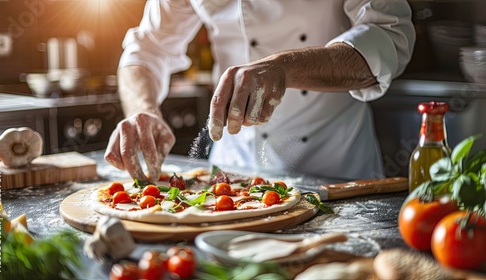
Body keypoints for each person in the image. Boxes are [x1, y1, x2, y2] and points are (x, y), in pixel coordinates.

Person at [104, 0, 415, 182]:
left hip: (334, 165)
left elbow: (389, 35)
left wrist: (286, 68)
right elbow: (146, 49)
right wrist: (142, 109)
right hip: (231, 171)